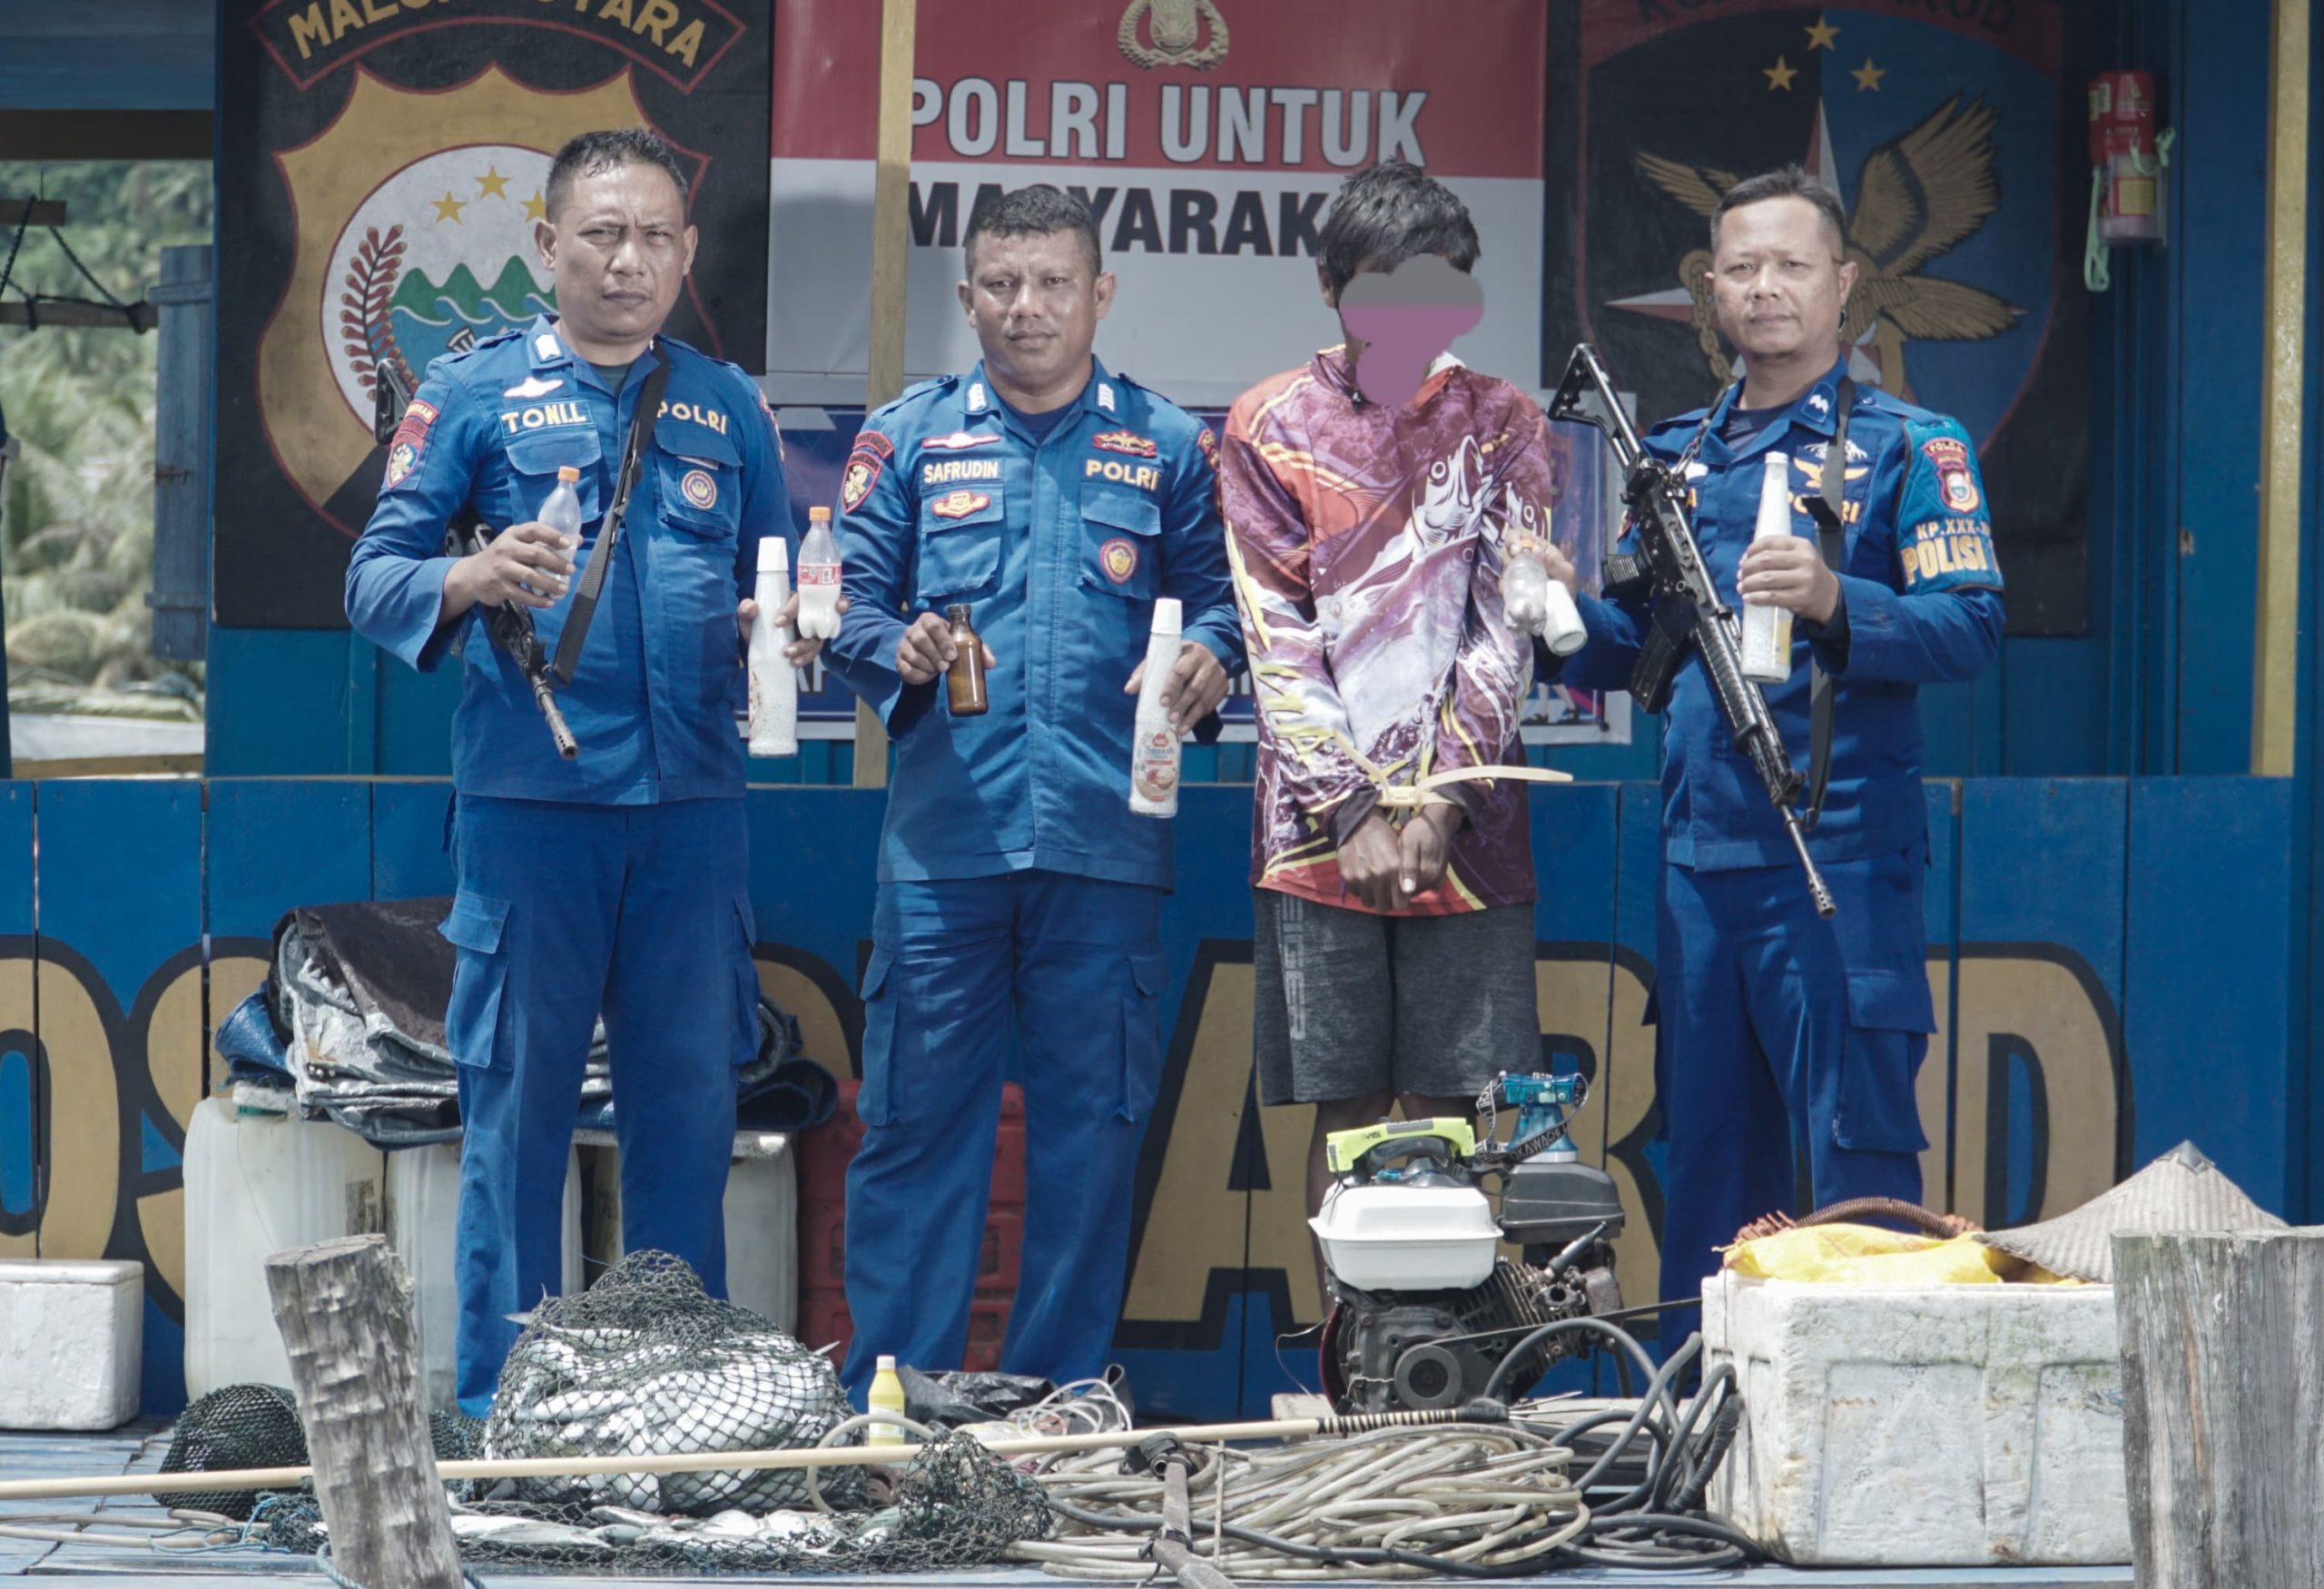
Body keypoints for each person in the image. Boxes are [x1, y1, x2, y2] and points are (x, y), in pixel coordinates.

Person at [346, 126, 819, 1415]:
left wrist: (787, 628)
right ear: (549, 244)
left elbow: (775, 590)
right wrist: (471, 571)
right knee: (516, 1122)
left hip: (691, 816)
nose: (629, 261)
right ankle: (507, 1408)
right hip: (533, 809)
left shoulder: (729, 407)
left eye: (655, 236)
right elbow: (373, 578)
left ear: (687, 251)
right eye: (602, 234)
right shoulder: (475, 393)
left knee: (687, 1121)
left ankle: (676, 1403)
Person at [1550, 164, 2005, 1314]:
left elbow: (1971, 625)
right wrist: (1556, 619)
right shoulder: (1674, 455)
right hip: (1700, 868)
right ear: (1709, 289)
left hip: (1835, 862)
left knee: (1856, 1174)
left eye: (1791, 265)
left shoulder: (1911, 445)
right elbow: (1644, 650)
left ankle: (1867, 1419)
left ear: (1843, 284)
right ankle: (1703, 1407)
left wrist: (1837, 600)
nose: (1764, 288)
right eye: (1740, 267)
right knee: (1707, 1169)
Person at [820, 185, 1242, 1390]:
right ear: (967, 298)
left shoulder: (1167, 446)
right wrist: (891, 643)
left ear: (1099, 293)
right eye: (1002, 284)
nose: (1028, 307)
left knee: (1089, 1143)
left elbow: (1224, 602)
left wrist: (1214, 651)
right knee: (915, 1134)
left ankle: (1057, 1408)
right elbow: (847, 604)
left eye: (1054, 283)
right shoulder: (906, 438)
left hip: (1107, 845)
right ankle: (898, 1409)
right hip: (944, 849)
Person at [1215, 162, 1541, 1292]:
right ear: (1329, 287)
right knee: (1347, 1111)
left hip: (1472, 829)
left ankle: (1453, 1363)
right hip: (1316, 835)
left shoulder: (1504, 420)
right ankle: (1350, 1360)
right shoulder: (1267, 423)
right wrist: (1351, 809)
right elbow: (1274, 635)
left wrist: (1441, 803)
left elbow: (1505, 628)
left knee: (1461, 1105)